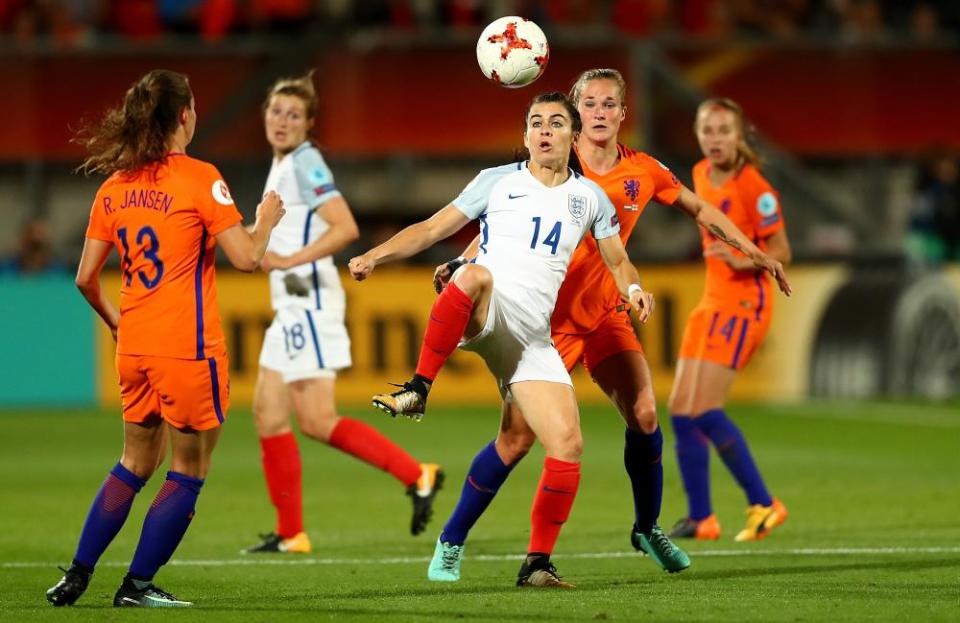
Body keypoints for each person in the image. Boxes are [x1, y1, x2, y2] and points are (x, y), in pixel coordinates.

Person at [426, 69, 790, 581]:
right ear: (576, 114)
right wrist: (465, 263)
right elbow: (501, 222)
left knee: (644, 412)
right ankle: (452, 539)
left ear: (623, 113)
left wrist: (756, 251)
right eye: (589, 104)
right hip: (545, 325)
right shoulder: (550, 162)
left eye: (609, 104)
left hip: (606, 315)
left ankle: (644, 528)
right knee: (515, 440)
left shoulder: (643, 171)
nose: (599, 113)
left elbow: (701, 210)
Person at [349, 91, 653, 588]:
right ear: (526, 134)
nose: (545, 130)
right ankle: (418, 388)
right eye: (536, 123)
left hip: (532, 336)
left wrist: (635, 289)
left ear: (573, 137)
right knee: (471, 277)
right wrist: (375, 257)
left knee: (561, 444)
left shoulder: (589, 198)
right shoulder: (497, 183)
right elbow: (430, 229)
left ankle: (526, 561)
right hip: (487, 311)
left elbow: (617, 260)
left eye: (556, 123)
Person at [45, 69, 284, 608]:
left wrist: (114, 321)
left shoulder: (115, 185)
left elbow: (85, 278)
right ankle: (136, 586)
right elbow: (246, 259)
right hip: (187, 349)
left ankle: (77, 576)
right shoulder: (201, 177)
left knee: (133, 463)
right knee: (189, 470)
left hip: (134, 346)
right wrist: (266, 219)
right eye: (194, 107)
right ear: (183, 115)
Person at [244, 73, 443, 554]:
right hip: (290, 304)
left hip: (308, 302)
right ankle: (292, 532)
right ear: (265, 116)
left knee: (316, 419)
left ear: (310, 124)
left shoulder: (305, 161)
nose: (283, 121)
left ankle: (416, 474)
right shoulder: (282, 165)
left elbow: (344, 225)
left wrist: (290, 260)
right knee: (268, 414)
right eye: (276, 111)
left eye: (294, 115)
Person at [667, 98, 792, 542]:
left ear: (739, 135)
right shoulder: (700, 173)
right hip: (711, 301)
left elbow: (782, 251)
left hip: (743, 305)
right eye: (707, 130)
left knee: (704, 410)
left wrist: (745, 263)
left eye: (723, 130)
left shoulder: (755, 189)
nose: (714, 139)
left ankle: (764, 503)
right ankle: (702, 518)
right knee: (681, 411)